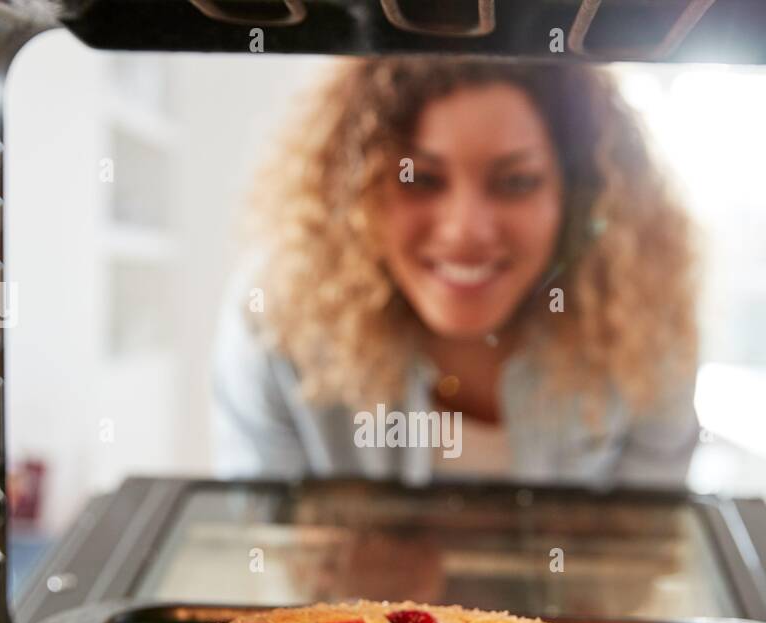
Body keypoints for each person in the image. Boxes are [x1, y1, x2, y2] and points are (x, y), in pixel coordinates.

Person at [211, 56, 699, 489]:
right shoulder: (277, 319)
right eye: (421, 179)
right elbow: (264, 540)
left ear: (576, 197)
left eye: (516, 182)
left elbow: (644, 563)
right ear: (358, 191)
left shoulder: (645, 328)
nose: (465, 231)